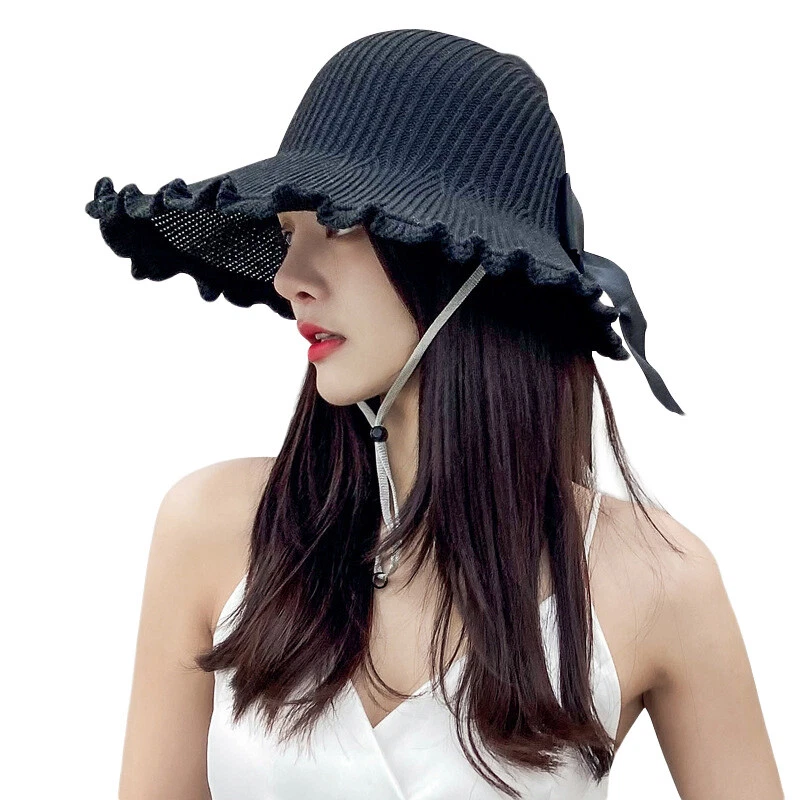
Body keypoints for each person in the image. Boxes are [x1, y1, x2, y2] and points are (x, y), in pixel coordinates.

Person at [89, 28, 783, 800]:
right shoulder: (213, 530)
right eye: (288, 234)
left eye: (337, 225)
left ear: (465, 257)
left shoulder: (658, 583)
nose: (289, 278)